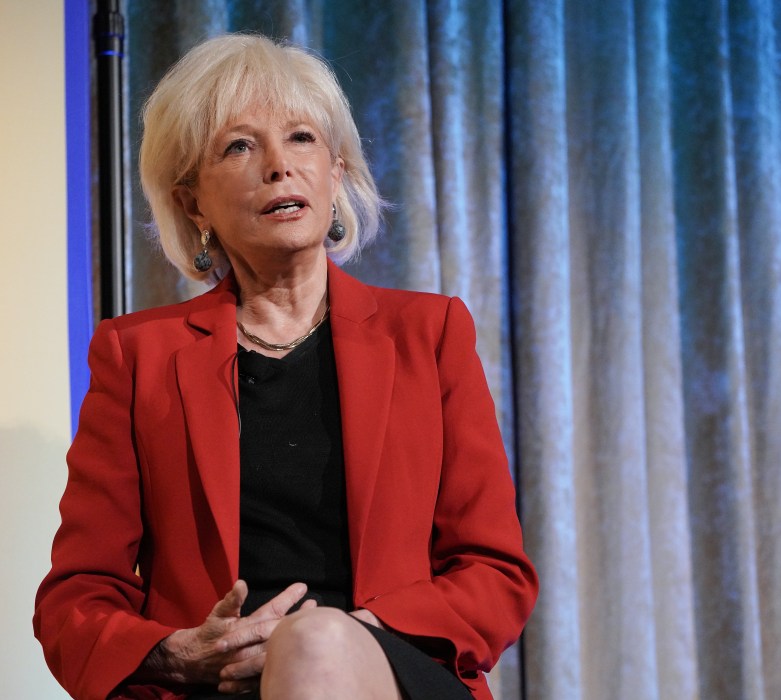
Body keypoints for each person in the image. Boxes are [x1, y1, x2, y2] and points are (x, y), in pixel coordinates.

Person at [33, 34, 538, 700]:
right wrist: (180, 654)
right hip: (215, 688)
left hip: (393, 669)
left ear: (336, 170)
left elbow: (494, 572)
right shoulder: (137, 357)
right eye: (239, 146)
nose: (279, 166)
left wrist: (351, 635)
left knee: (316, 642)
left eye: (301, 138)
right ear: (193, 205)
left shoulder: (430, 333)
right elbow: (75, 598)